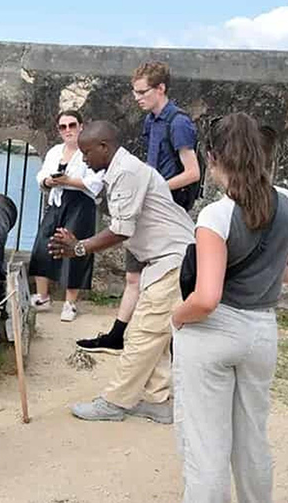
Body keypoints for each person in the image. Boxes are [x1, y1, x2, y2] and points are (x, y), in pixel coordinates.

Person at [170, 113, 288, 503]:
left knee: (206, 446)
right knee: (253, 440)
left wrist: (176, 316)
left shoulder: (215, 216)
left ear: (213, 156)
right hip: (262, 332)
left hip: (215, 331)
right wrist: (266, 270)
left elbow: (206, 298)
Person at [48, 121, 193, 425]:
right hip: (166, 260)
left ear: (104, 147)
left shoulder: (127, 172)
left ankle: (115, 402)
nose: (84, 158)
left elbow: (121, 230)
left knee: (142, 333)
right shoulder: (121, 170)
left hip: (172, 259)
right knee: (156, 335)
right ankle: (158, 400)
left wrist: (79, 248)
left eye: (87, 152)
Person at [76, 61, 199, 354]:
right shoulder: (151, 121)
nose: (137, 98)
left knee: (156, 282)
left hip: (161, 210)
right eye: (135, 92)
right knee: (135, 278)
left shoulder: (178, 122)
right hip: (141, 206)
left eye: (143, 92)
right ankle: (120, 334)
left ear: (161, 89)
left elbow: (192, 172)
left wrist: (151, 189)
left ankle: (141, 340)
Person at [28, 110, 104, 322]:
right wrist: (49, 182)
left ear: (81, 126)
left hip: (80, 204)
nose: (68, 130)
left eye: (72, 125)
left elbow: (96, 182)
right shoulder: (55, 151)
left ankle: (70, 303)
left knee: (74, 250)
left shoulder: (90, 151)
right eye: (63, 127)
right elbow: (42, 174)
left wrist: (68, 181)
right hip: (57, 201)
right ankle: (42, 296)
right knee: (42, 246)